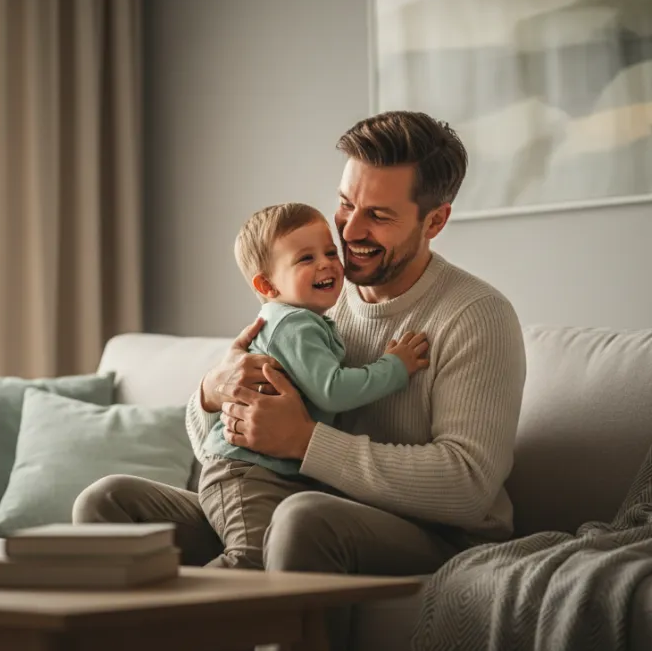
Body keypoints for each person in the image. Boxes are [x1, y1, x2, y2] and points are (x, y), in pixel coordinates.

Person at [73, 110, 527, 649]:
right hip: (292, 492)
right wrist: (213, 392)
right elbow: (215, 446)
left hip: (431, 534)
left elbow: (468, 486)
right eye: (345, 204)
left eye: (378, 215)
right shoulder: (313, 297)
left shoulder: (475, 315)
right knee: (109, 502)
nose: (350, 231)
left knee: (302, 519)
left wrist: (307, 442)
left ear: (434, 221)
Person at [198, 201, 430, 569]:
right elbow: (333, 391)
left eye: (328, 252)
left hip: (257, 470)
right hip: (248, 471)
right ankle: (178, 614)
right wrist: (394, 367)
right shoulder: (295, 326)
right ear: (267, 284)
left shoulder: (303, 320)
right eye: (305, 259)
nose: (326, 264)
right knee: (249, 562)